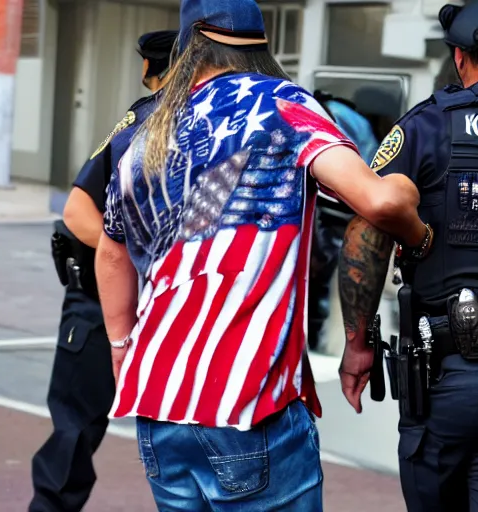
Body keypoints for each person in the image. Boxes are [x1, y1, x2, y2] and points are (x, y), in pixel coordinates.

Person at [95, 0, 429, 510]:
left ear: (187, 47)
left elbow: (112, 252)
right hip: (246, 404)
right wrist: (418, 226)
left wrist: (122, 349)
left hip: (158, 402)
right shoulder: (281, 103)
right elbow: (379, 201)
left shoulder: (149, 132)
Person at [337, 1, 478, 510]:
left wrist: (358, 344)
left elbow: (368, 228)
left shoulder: (425, 128)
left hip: (446, 373)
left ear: (459, 57)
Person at [28, 30, 177, 512]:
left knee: (183, 445)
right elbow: (78, 212)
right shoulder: (143, 120)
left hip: (169, 310)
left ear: (147, 68)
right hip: (98, 308)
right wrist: (135, 264)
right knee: (73, 438)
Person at [308, 91, 380, 351]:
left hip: (337, 209)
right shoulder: (352, 119)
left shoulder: (334, 117)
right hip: (344, 208)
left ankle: (321, 338)